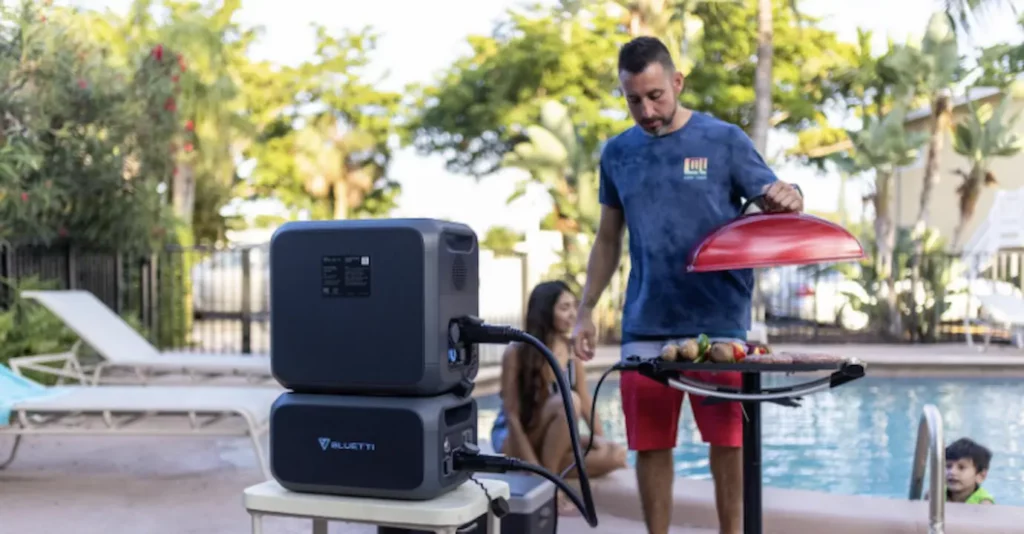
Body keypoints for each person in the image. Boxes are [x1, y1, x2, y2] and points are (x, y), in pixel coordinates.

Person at [571, 36, 804, 534]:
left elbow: (774, 196)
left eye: (656, 95)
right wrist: (586, 308)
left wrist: (791, 193)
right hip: (646, 321)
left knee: (727, 443)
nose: (647, 110)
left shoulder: (724, 140)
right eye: (634, 99)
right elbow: (608, 238)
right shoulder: (617, 153)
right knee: (650, 446)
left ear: (677, 82)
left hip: (717, 323)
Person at [490, 280, 627, 506]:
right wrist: (538, 474)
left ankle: (548, 470)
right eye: (564, 308)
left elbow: (585, 402)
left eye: (574, 306)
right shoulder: (517, 352)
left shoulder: (572, 352)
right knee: (568, 401)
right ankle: (550, 483)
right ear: (545, 312)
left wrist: (600, 439)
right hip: (514, 436)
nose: (573, 314)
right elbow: (512, 417)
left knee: (616, 454)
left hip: (550, 437)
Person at [945, 437, 995, 504]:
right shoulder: (935, 495)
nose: (952, 472)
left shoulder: (984, 502)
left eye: (961, 468)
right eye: (948, 466)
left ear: (980, 476)